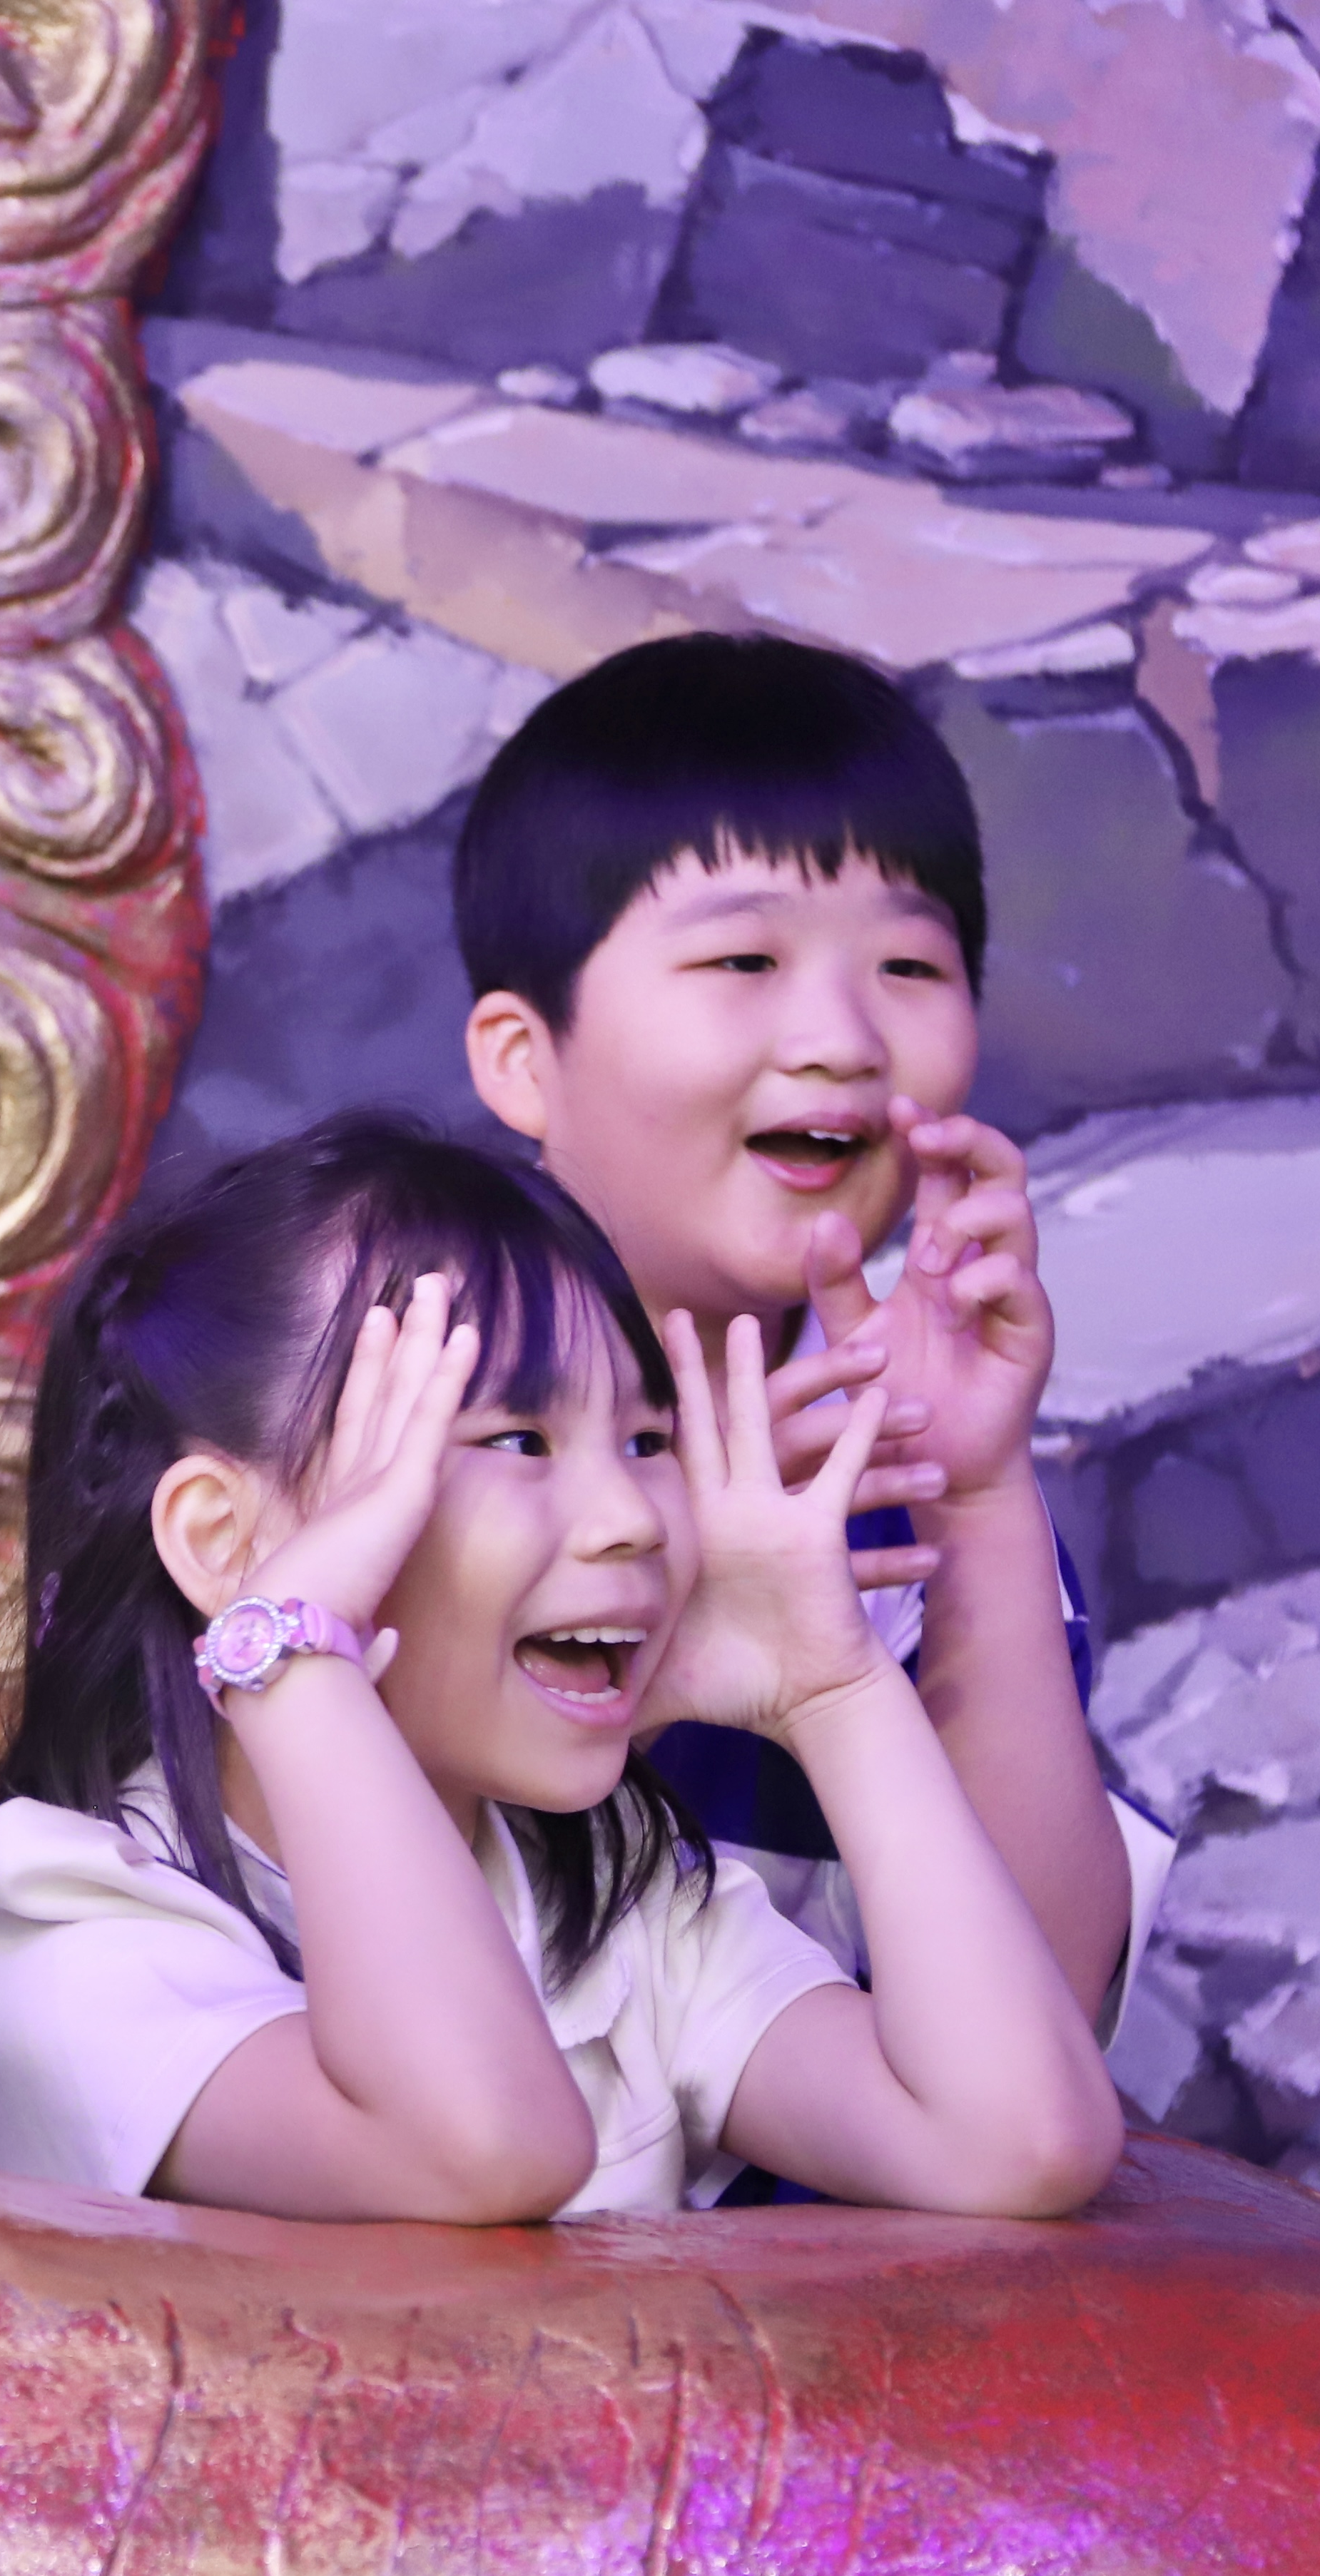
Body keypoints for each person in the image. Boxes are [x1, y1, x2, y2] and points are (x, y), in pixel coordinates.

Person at [0, 1116, 1123, 2222]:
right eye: (517, 1439)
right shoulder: (44, 1932)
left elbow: (1017, 2140)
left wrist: (832, 1691)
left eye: (646, 1438)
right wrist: (289, 1655)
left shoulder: (619, 1901)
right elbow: (475, 2146)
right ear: (221, 1539)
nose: (631, 1519)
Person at [453, 631, 1167, 2022]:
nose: (840, 1037)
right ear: (523, 1061)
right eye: (742, 958)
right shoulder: (386, 1414)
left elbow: (1049, 2013)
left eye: (907, 965)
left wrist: (975, 1497)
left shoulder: (902, 1488)